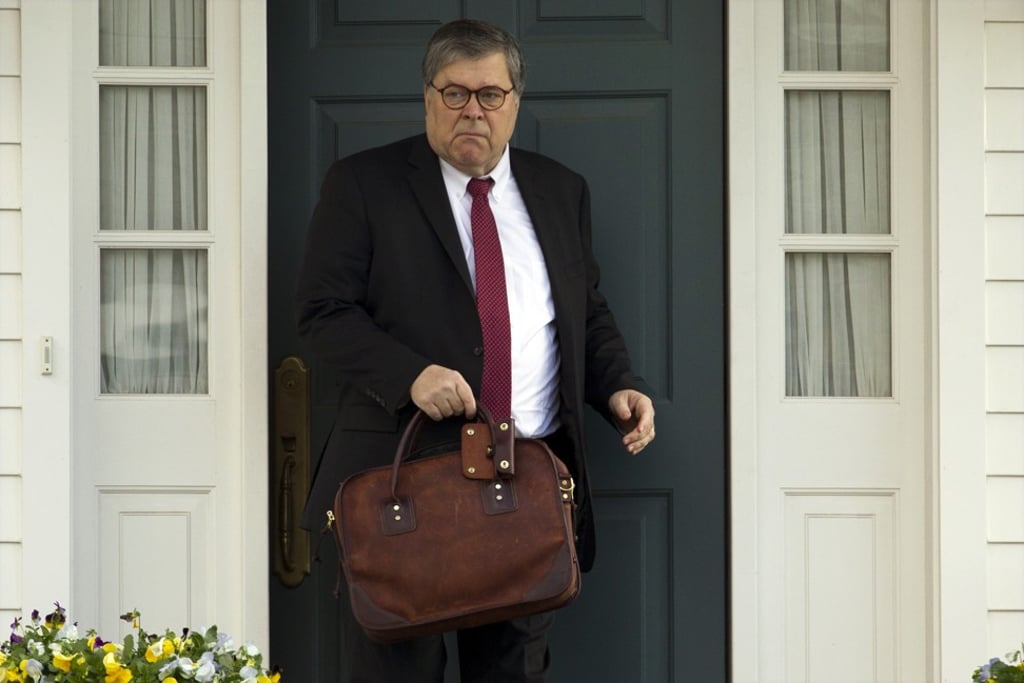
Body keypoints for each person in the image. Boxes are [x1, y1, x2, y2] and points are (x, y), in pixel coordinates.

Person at [295, 18, 656, 683]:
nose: (472, 109)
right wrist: (410, 375)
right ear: (427, 98)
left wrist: (616, 385)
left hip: (525, 491)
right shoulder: (364, 185)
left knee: (513, 672)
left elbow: (583, 311)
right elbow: (321, 315)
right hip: (404, 493)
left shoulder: (559, 190)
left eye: (490, 94)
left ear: (515, 100)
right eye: (454, 92)